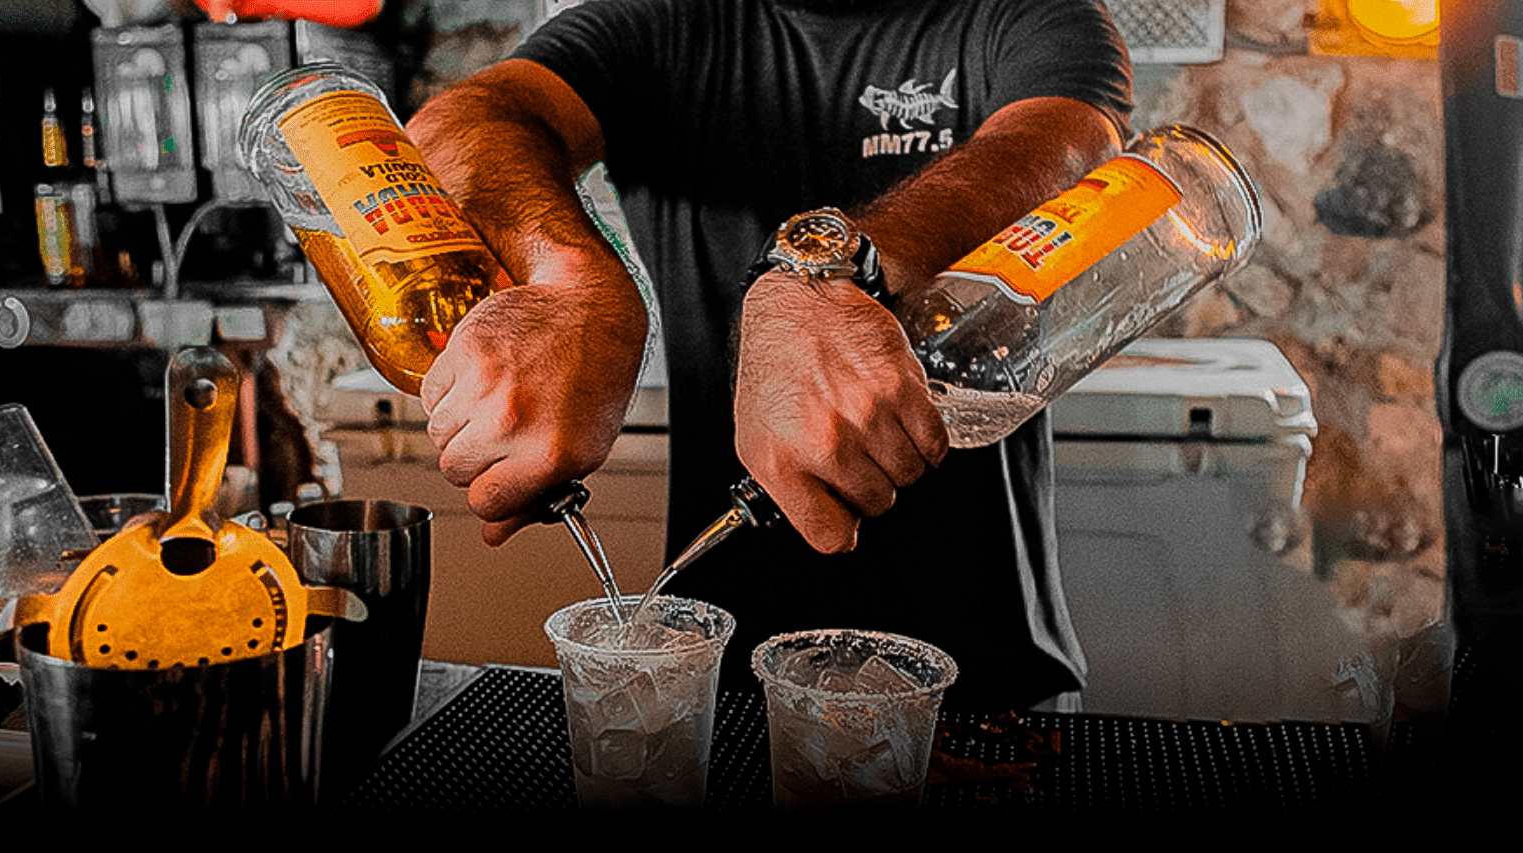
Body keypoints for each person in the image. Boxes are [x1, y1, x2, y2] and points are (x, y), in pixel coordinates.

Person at [408, 0, 1134, 710]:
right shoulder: (658, 22)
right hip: (729, 685)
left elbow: (1070, 150)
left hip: (990, 676)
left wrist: (820, 270)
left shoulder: (1030, 15)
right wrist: (571, 279)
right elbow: (456, 126)